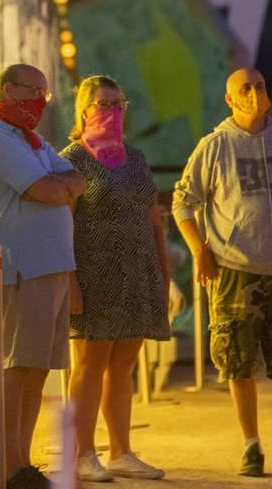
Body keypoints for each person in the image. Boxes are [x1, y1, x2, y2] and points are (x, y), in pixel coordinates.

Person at [173, 67, 272, 477]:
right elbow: (182, 203)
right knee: (237, 362)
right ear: (230, 99)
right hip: (233, 271)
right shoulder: (214, 147)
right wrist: (200, 250)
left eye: (260, 86)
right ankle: (251, 446)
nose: (254, 93)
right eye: (245, 88)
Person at [0, 63, 86, 489]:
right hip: (22, 267)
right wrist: (62, 187)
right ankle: (10, 466)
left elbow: (79, 179)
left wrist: (64, 185)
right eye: (30, 90)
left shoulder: (31, 141)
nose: (39, 99)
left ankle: (22, 463)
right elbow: (53, 190)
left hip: (51, 266)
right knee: (16, 368)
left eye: (44, 91)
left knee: (37, 369)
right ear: (5, 90)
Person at [61, 75, 170, 482]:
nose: (111, 110)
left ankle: (122, 450)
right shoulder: (71, 159)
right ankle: (83, 453)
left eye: (117, 102)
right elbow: (63, 225)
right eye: (102, 103)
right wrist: (70, 281)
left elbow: (152, 216)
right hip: (95, 273)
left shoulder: (136, 158)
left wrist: (162, 270)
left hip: (137, 271)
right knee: (90, 364)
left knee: (124, 364)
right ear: (85, 110)